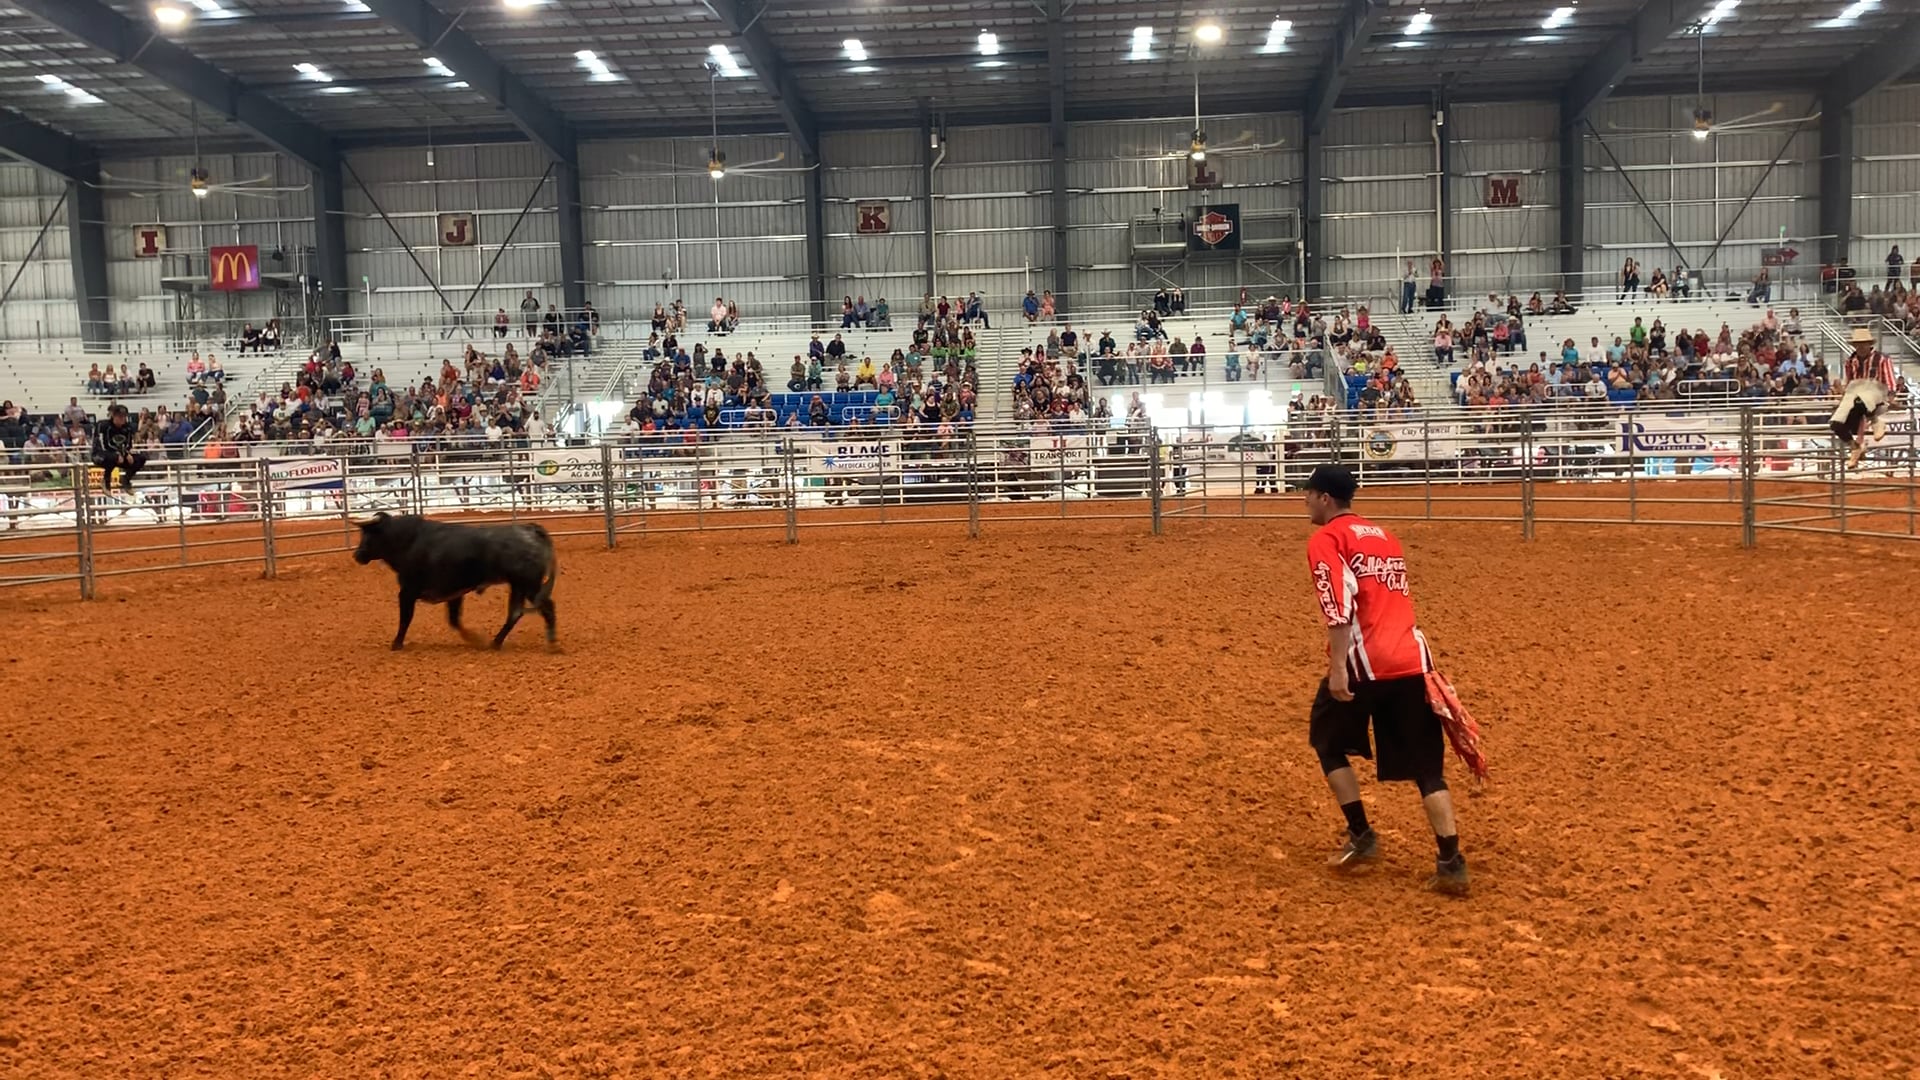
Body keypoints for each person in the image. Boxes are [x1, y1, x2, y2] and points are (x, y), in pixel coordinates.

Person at [1302, 464, 1476, 895]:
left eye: (1308, 494)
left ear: (1325, 498)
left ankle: (1362, 835)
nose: (1305, 502)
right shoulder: (1384, 537)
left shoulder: (1327, 539)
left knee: (1326, 741)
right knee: (1427, 769)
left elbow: (1337, 603)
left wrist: (1338, 667)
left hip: (1366, 661)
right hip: (1412, 657)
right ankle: (1451, 861)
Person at [91, 403, 146, 493]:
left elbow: (128, 444)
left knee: (141, 458)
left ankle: (126, 480)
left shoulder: (127, 428)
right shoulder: (104, 426)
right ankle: (106, 481)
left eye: (124, 416)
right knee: (114, 457)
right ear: (113, 416)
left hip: (120, 456)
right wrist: (117, 453)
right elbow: (103, 445)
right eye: (120, 416)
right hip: (100, 455)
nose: (122, 419)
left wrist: (126, 453)